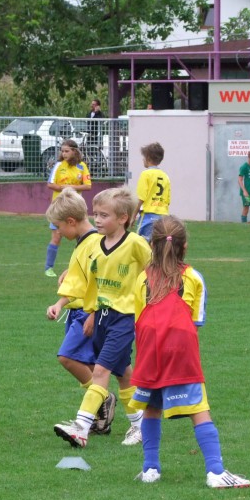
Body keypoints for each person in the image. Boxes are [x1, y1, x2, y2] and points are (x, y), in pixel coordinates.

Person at [129, 215, 250, 489]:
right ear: (184, 247)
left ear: (152, 245)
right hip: (180, 346)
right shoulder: (193, 277)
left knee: (151, 408)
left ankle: (150, 468)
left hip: (149, 346)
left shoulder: (142, 279)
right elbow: (196, 320)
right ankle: (216, 471)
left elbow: (138, 317)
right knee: (199, 408)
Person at [53, 187, 151, 449]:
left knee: (100, 370)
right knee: (123, 374)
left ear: (123, 218)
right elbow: (90, 283)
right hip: (102, 318)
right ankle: (141, 426)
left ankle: (81, 428)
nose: (97, 219)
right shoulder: (95, 245)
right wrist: (90, 313)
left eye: (104, 215)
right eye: (96, 214)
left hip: (124, 317)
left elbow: (154, 270)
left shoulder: (135, 244)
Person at [44, 188, 115, 436]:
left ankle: (102, 399)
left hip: (88, 313)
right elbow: (83, 276)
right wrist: (60, 303)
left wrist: (95, 313)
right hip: (77, 312)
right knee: (90, 364)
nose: (59, 233)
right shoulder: (84, 242)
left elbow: (103, 280)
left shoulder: (95, 243)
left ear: (71, 221)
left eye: (59, 227)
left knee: (67, 357)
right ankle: (100, 414)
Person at [44, 139, 91, 277]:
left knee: (82, 237)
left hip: (76, 208)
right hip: (59, 208)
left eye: (67, 151)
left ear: (74, 151)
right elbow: (50, 184)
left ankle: (82, 266)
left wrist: (72, 188)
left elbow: (88, 186)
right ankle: (48, 268)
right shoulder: (59, 165)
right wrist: (61, 188)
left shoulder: (82, 166)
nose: (64, 154)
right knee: (56, 237)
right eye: (62, 151)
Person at [135, 142, 172, 239]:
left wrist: (132, 216)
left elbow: (141, 198)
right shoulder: (165, 176)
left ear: (147, 158)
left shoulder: (145, 174)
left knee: (141, 243)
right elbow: (167, 200)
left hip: (148, 214)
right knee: (158, 243)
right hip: (163, 216)